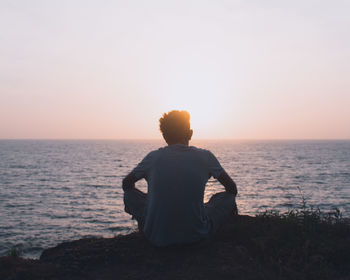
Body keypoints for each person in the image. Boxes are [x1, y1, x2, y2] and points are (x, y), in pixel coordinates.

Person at [122, 110, 238, 247]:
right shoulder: (205, 157)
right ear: (190, 133)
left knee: (129, 194)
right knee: (226, 198)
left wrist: (153, 201)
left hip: (157, 238)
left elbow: (127, 184)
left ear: (164, 136)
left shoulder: (153, 158)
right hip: (196, 235)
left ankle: (146, 227)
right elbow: (232, 189)